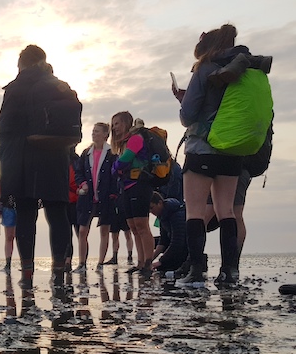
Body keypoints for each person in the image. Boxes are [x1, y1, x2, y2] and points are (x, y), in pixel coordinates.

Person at [174, 24, 270, 287]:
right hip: (233, 150)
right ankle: (230, 271)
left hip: (202, 147)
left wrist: (183, 101)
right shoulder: (247, 67)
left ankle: (195, 272)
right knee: (227, 211)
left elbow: (188, 115)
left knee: (194, 212)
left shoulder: (205, 68)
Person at [0, 45, 74, 290]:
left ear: (21, 63)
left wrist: (5, 161)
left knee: (26, 215)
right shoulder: (59, 85)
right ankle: (59, 271)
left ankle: (27, 273)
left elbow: (5, 128)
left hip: (23, 157)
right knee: (57, 215)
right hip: (55, 156)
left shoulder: (14, 88)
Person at [110, 112, 155, 275]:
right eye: (113, 124)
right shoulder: (122, 144)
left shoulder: (135, 139)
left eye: (117, 123)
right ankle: (141, 262)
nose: (114, 127)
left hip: (140, 185)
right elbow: (119, 164)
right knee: (133, 226)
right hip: (127, 187)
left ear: (127, 123)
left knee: (142, 225)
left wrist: (116, 167)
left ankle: (148, 263)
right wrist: (117, 168)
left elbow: (124, 161)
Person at [73, 122, 115, 272]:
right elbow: (78, 172)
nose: (94, 134)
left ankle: (100, 263)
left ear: (105, 134)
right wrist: (82, 183)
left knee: (104, 230)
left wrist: (113, 193)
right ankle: (82, 264)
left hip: (106, 197)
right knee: (83, 230)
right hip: (87, 197)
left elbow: (115, 175)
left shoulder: (112, 153)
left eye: (97, 131)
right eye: (93, 131)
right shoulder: (86, 153)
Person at [149, 191, 188, 275]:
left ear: (160, 203)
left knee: (162, 268)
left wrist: (161, 261)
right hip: (176, 247)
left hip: (184, 250)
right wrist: (149, 261)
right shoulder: (163, 216)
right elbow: (163, 241)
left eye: (151, 208)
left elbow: (177, 242)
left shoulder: (177, 214)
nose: (151, 212)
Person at [0, 178, 16, 274]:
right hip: (8, 207)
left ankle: (25, 263)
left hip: (22, 206)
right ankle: (8, 263)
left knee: (20, 236)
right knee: (9, 237)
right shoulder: (4, 174)